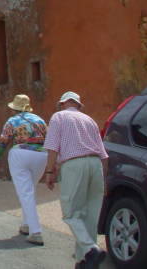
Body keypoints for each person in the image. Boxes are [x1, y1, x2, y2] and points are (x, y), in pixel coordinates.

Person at [44, 91, 108, 269]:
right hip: (95, 164)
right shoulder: (90, 120)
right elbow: (104, 154)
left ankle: (91, 249)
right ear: (79, 105)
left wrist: (50, 171)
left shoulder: (59, 117)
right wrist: (105, 178)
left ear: (63, 103)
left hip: (74, 164)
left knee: (71, 212)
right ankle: (84, 262)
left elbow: (52, 146)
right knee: (90, 216)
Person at [0, 94, 48, 246]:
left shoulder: (12, 121)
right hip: (42, 155)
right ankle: (26, 224)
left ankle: (36, 232)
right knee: (29, 190)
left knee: (25, 192)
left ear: (15, 108)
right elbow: (49, 139)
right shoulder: (40, 120)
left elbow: (3, 141)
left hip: (20, 154)